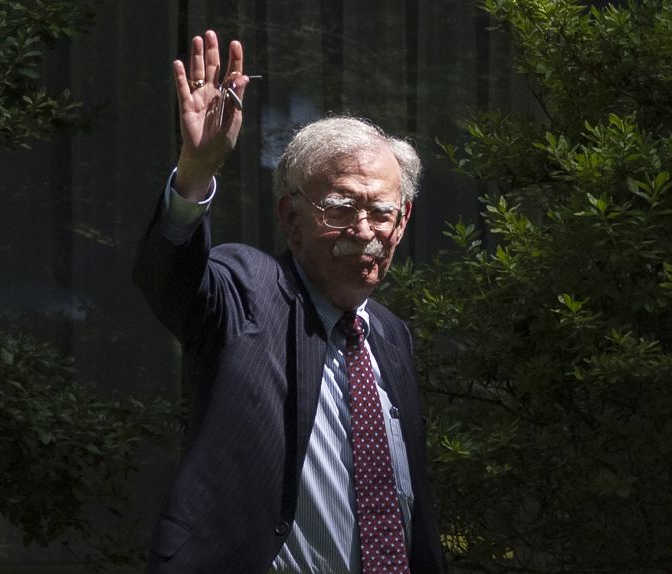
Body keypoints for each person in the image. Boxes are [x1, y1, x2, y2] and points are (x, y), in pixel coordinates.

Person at [134, 30, 446, 574]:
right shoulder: (248, 292)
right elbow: (171, 280)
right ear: (290, 218)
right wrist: (196, 172)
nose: (365, 230)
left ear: (404, 221)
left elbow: (409, 501)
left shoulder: (391, 336)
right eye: (340, 207)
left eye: (382, 212)